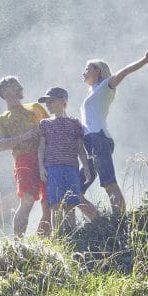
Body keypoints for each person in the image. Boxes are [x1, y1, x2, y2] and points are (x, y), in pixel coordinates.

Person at [79, 46, 148, 215]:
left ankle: (119, 224)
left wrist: (145, 60)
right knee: (75, 190)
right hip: (90, 143)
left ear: (97, 71)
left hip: (99, 138)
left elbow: (124, 72)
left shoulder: (105, 85)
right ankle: (101, 223)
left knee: (108, 183)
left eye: (87, 68)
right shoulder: (92, 92)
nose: (83, 72)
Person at [0, 76, 51, 237]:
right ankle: (19, 245)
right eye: (15, 86)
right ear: (5, 92)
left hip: (47, 158)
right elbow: (0, 145)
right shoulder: (2, 119)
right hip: (23, 159)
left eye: (20, 84)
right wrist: (25, 136)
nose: (21, 87)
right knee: (27, 201)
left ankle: (43, 244)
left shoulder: (36, 107)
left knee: (49, 203)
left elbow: (52, 127)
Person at [37, 87, 98, 236]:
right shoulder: (45, 123)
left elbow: (80, 148)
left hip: (71, 168)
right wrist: (41, 168)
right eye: (47, 102)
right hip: (53, 168)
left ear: (63, 101)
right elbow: (41, 147)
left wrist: (86, 167)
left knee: (71, 204)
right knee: (56, 205)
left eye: (51, 101)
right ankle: (58, 237)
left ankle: (72, 236)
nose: (48, 105)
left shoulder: (75, 123)